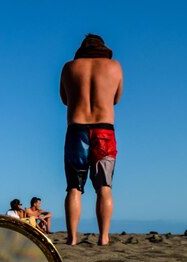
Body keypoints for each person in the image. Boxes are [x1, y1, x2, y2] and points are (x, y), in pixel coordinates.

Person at [60, 34, 123, 246]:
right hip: (104, 130)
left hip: (77, 129)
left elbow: (64, 99)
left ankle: (72, 238)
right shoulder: (114, 67)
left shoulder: (70, 67)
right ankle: (104, 238)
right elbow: (116, 98)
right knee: (104, 187)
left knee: (74, 188)